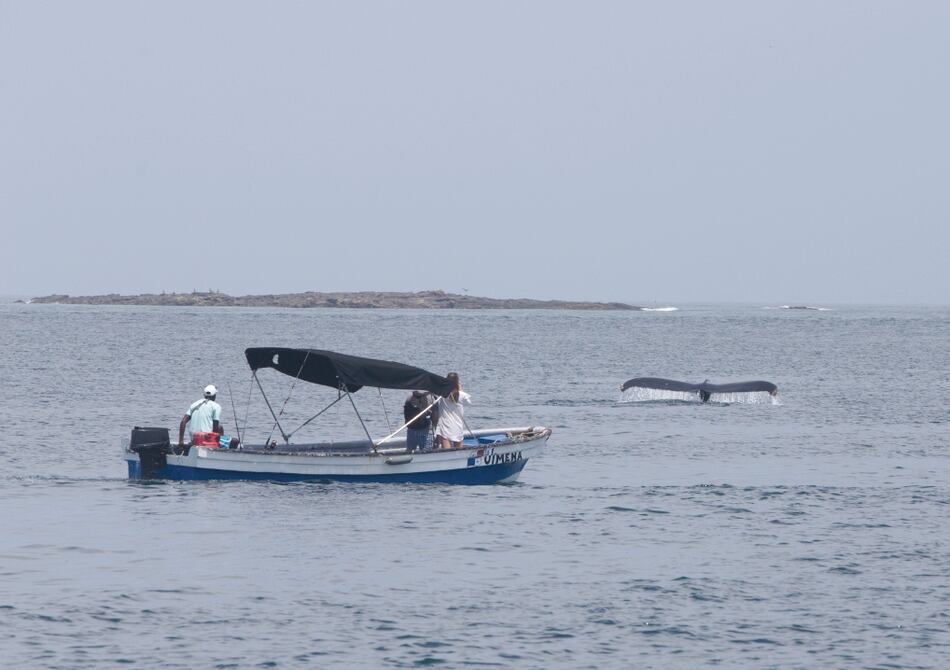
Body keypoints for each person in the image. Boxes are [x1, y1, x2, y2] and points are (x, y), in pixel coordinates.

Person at [178, 384, 239, 450]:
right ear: (214, 396)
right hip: (206, 440)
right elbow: (215, 427)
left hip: (194, 440)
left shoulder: (194, 404)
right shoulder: (216, 406)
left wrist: (181, 441)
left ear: (204, 395)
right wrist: (216, 444)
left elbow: (183, 422)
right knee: (235, 441)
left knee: (219, 428)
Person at [431, 372, 472, 450]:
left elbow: (433, 392)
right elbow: (469, 403)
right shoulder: (462, 395)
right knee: (458, 447)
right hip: (457, 424)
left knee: (446, 448)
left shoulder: (442, 394)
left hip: (446, 423)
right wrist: (460, 389)